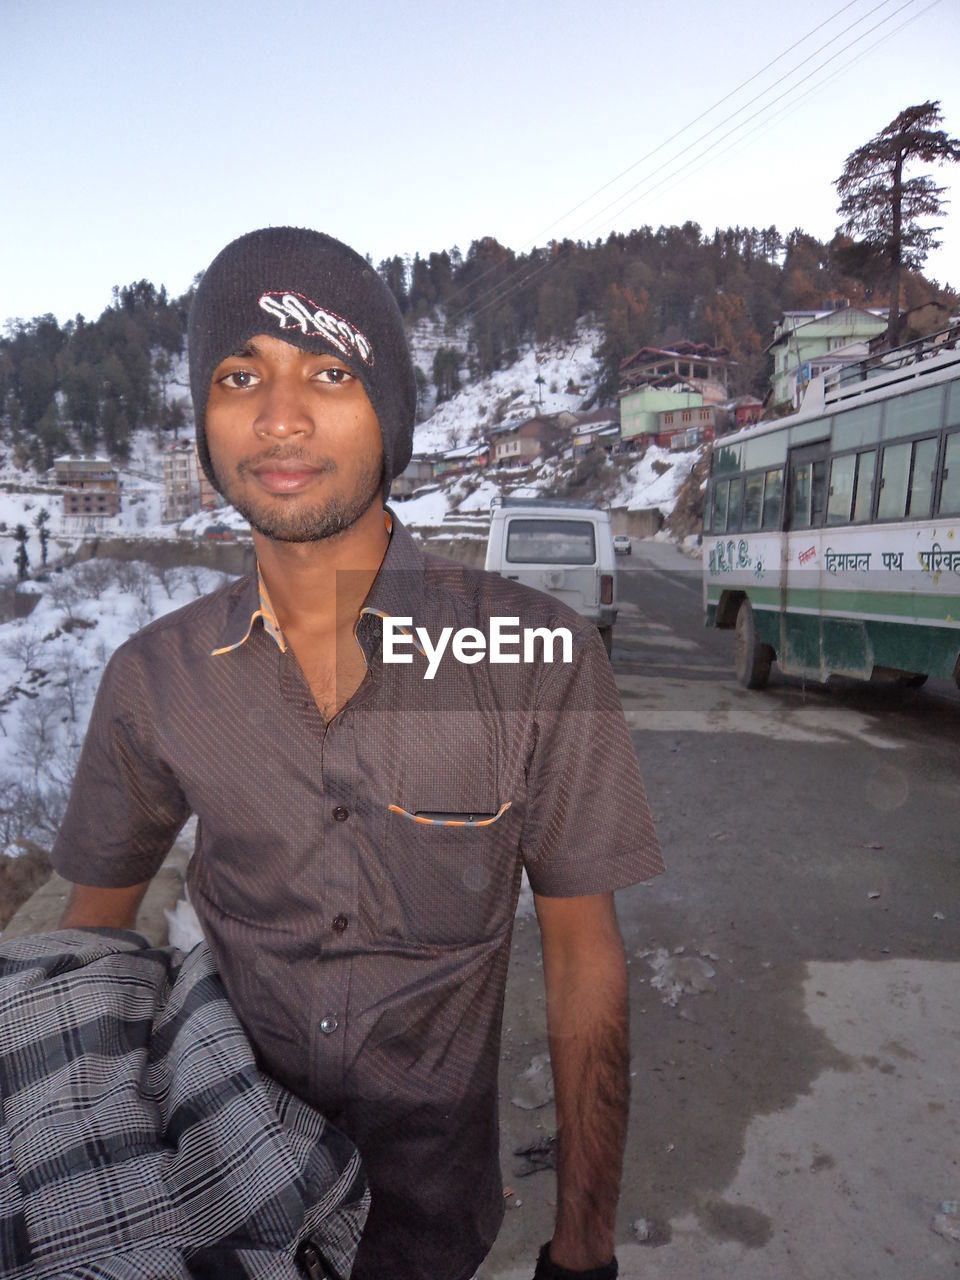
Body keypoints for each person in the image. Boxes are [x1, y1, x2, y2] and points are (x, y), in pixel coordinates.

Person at [52, 226, 664, 1280]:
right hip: (218, 1222)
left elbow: (585, 965)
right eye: (240, 373)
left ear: (392, 415)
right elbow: (87, 964)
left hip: (430, 1231)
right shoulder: (153, 680)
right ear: (203, 418)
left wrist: (585, 1246)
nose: (279, 414)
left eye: (328, 371)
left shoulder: (538, 660)